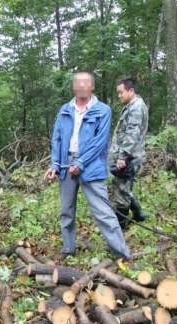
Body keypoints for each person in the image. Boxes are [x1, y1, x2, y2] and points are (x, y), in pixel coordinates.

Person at [45, 71, 132, 260]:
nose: (82, 85)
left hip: (91, 166)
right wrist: (55, 164)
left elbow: (100, 142)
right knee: (66, 211)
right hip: (66, 164)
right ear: (73, 87)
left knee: (103, 212)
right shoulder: (64, 109)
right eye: (78, 82)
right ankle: (68, 250)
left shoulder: (103, 110)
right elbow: (57, 138)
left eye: (86, 82)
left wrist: (81, 162)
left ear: (92, 86)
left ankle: (122, 253)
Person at [109, 78, 149, 229]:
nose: (119, 96)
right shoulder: (131, 106)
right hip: (129, 156)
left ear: (131, 91)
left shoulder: (136, 108)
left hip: (129, 158)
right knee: (124, 187)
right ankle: (138, 214)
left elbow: (132, 133)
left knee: (121, 191)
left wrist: (122, 156)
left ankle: (121, 226)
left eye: (121, 92)